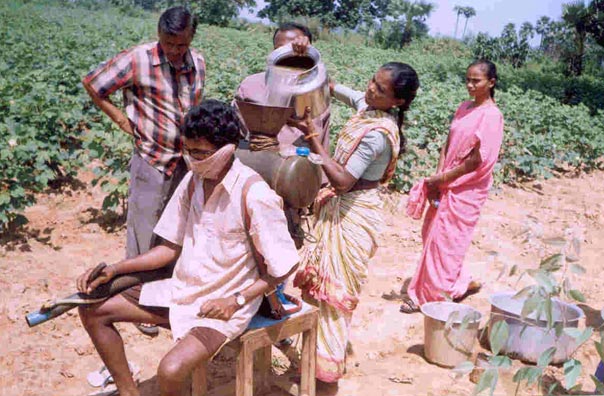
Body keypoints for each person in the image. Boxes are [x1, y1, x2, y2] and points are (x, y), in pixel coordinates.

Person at [76, 100, 299, 396]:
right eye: (189, 150)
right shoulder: (194, 181)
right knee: (93, 310)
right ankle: (129, 392)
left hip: (226, 304)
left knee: (170, 371)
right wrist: (115, 269)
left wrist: (236, 300)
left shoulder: (253, 194)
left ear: (228, 148)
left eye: (201, 153)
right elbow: (167, 250)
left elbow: (283, 266)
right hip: (183, 290)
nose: (192, 159)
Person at [288, 62, 420, 389]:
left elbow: (344, 181)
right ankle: (313, 360)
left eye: (380, 89)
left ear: (397, 102)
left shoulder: (378, 134)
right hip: (339, 208)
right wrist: (308, 70)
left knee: (334, 294)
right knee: (319, 286)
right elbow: (335, 88)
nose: (370, 90)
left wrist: (314, 140)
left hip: (354, 213)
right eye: (372, 81)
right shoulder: (367, 106)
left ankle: (324, 376)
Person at [82, 6, 205, 335]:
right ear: (159, 36)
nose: (175, 52)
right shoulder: (137, 59)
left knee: (174, 234)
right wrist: (121, 119)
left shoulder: (199, 64)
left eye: (181, 45)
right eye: (168, 44)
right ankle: (133, 305)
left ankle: (165, 301)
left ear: (191, 39)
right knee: (143, 233)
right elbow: (93, 84)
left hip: (184, 162)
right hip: (151, 158)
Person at [400, 59, 504, 314]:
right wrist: (438, 177)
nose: (470, 85)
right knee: (433, 236)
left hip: (465, 189)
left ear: (491, 83)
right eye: (467, 79)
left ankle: (428, 297)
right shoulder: (464, 107)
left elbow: (477, 160)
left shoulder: (491, 116)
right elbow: (447, 144)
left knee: (446, 242)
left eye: (476, 81)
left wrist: (443, 180)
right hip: (446, 183)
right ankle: (459, 282)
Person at [235, 22, 331, 153]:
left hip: (299, 169)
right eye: (281, 50)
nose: (288, 55)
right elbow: (234, 137)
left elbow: (322, 150)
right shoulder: (251, 86)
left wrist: (310, 56)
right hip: (255, 166)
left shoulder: (315, 95)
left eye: (295, 50)